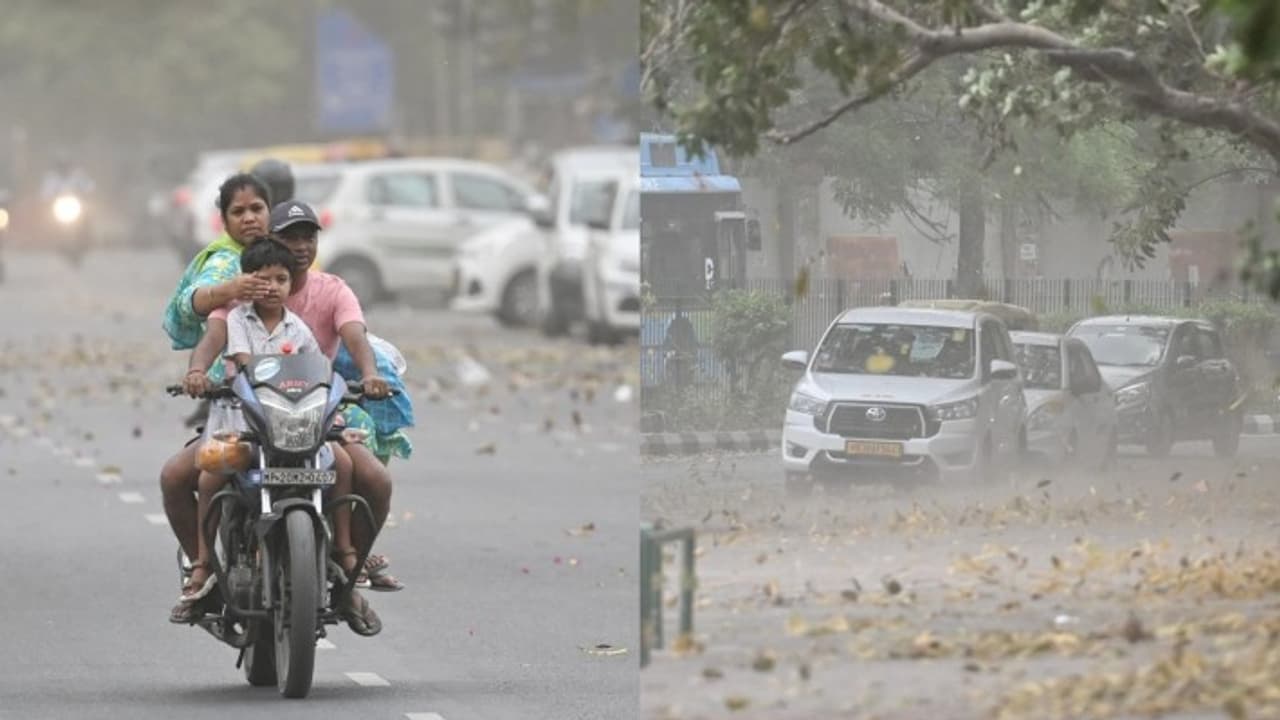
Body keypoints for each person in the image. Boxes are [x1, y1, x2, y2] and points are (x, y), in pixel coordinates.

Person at [170, 200, 402, 634]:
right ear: (269, 244)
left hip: (311, 419)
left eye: (307, 237)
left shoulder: (330, 293)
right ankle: (204, 572)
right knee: (180, 476)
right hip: (245, 418)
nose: (299, 247)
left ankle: (347, 574)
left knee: (367, 476)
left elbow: (354, 339)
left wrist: (370, 376)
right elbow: (216, 338)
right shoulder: (241, 296)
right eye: (289, 238)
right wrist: (197, 371)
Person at [177, 240, 362, 616]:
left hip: (295, 422)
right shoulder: (236, 320)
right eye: (264, 280)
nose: (273, 287)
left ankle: (345, 555)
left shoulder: (299, 328)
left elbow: (317, 370)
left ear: (291, 284)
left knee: (341, 465)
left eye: (281, 279)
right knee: (211, 476)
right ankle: (202, 562)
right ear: (249, 282)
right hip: (244, 421)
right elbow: (248, 365)